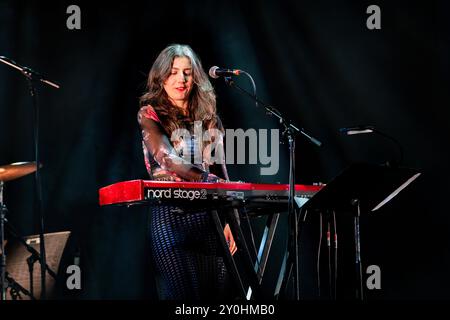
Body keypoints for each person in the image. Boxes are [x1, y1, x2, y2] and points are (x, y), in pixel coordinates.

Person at [137, 44, 237, 300]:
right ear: (161, 76)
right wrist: (206, 179)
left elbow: (219, 170)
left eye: (187, 73)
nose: (181, 79)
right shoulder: (149, 113)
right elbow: (167, 158)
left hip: (209, 219)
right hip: (171, 219)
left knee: (216, 299)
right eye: (173, 72)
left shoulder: (209, 118)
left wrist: (230, 219)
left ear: (195, 77)